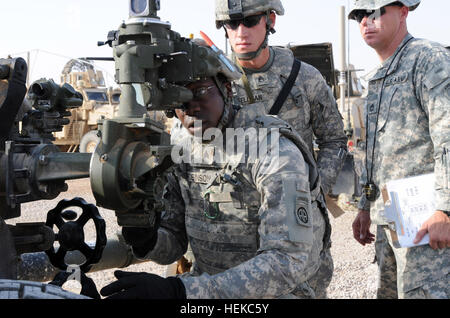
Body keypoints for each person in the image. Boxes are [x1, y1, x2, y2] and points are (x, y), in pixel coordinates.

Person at [100, 42, 332, 299]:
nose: (190, 108)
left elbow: (286, 262)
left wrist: (180, 292)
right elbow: (174, 243)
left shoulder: (273, 151)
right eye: (179, 99)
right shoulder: (181, 150)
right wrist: (148, 240)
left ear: (227, 89)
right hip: (210, 291)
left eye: (199, 92)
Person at [349, 0, 450, 298]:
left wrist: (445, 208)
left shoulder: (428, 59)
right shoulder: (379, 76)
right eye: (360, 15)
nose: (367, 20)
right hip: (391, 217)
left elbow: (447, 136)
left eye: (376, 11)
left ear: (404, 12)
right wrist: (365, 206)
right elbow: (374, 150)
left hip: (426, 219)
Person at [214, 0, 348, 196]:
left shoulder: (305, 77)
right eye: (232, 24)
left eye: (250, 21)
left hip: (292, 208)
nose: (241, 32)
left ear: (270, 20)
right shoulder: (215, 82)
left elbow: (334, 140)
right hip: (237, 212)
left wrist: (315, 194)